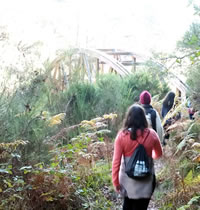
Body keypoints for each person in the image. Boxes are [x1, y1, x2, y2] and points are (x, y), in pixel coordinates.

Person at [112, 104, 163, 210]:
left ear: (128, 118)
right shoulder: (152, 134)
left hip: (127, 182)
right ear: (144, 118)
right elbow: (158, 154)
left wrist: (115, 182)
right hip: (146, 181)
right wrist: (148, 157)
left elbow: (116, 162)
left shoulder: (122, 136)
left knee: (127, 206)